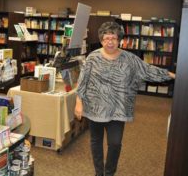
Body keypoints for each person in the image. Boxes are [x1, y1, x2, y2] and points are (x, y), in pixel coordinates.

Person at [74, 21, 175, 176]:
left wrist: (171, 75)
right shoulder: (93, 58)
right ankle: (98, 172)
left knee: (115, 143)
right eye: (106, 38)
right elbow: (83, 80)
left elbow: (147, 70)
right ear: (101, 40)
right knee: (96, 141)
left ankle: (109, 172)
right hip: (95, 107)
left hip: (118, 108)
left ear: (119, 39)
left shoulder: (129, 59)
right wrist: (78, 103)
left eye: (113, 38)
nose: (110, 42)